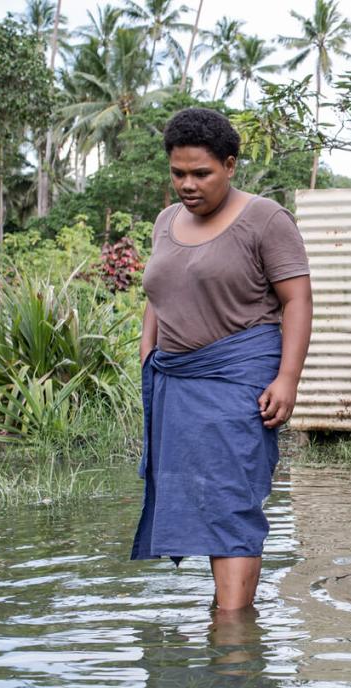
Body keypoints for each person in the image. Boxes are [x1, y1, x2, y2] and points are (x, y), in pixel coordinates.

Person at [130, 107, 313, 611]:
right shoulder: (166, 221)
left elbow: (297, 300)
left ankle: (232, 636)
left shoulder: (265, 219)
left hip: (239, 379)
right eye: (178, 173)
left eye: (201, 173)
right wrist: (149, 350)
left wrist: (288, 378)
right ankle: (227, 618)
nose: (187, 184)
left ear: (230, 165)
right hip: (177, 381)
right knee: (198, 499)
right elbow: (158, 291)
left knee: (229, 502)